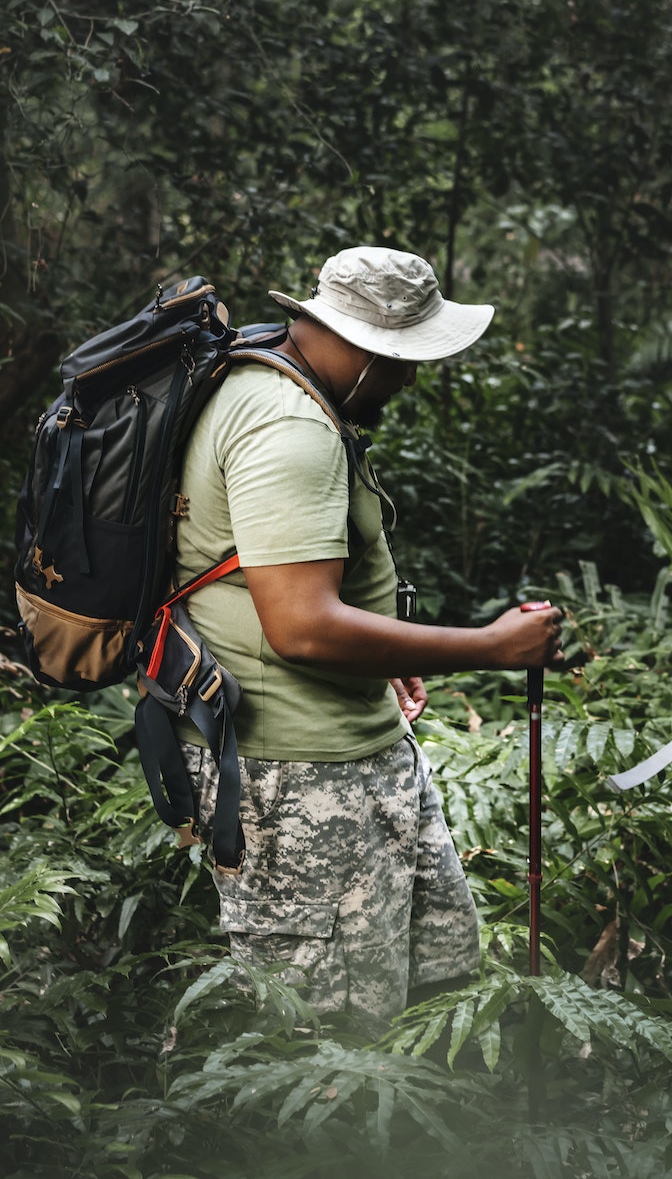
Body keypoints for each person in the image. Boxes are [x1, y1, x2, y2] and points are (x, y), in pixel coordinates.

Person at [172, 246, 562, 1023]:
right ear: (362, 347)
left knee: (430, 993)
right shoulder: (289, 426)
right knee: (331, 1039)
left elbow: (275, 583)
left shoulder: (273, 386)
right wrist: (487, 649)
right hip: (299, 774)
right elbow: (302, 626)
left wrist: (386, 651)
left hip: (355, 753)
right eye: (404, 360)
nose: (410, 378)